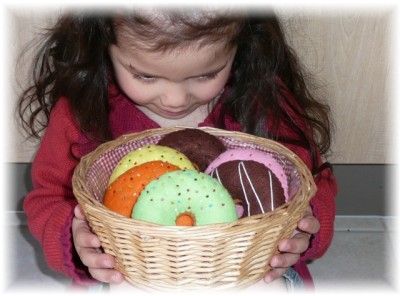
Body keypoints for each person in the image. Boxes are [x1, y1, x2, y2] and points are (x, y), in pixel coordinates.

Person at [18, 8, 337, 291]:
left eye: (206, 74)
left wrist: (304, 229)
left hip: (246, 272)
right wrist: (77, 244)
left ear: (241, 45)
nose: (175, 100)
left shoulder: (264, 105)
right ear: (103, 43)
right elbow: (48, 198)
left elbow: (314, 184)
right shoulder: (84, 112)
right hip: (131, 272)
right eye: (144, 75)